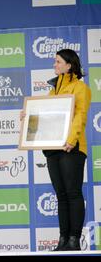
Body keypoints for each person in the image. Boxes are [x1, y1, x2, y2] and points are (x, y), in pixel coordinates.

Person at [22, 49, 91, 251]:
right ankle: (62, 240)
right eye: (55, 61)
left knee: (72, 193)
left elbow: (81, 116)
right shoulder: (53, 91)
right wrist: (28, 116)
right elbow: (44, 116)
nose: (55, 65)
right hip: (53, 149)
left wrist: (71, 139)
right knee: (61, 195)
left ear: (69, 65)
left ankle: (74, 240)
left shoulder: (80, 88)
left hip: (72, 147)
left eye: (58, 61)